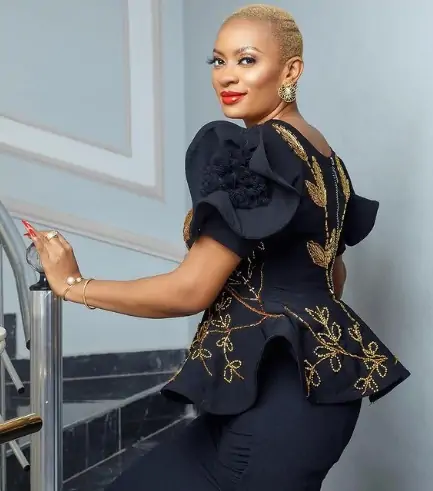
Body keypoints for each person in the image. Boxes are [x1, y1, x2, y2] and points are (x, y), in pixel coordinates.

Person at [23, 4, 410, 490]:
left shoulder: (255, 150)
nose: (227, 76)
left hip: (277, 413)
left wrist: (73, 284)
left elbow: (191, 290)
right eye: (218, 60)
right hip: (304, 399)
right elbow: (333, 276)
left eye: (247, 60)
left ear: (290, 71)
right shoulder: (324, 157)